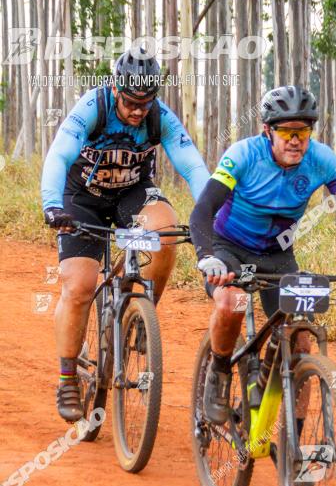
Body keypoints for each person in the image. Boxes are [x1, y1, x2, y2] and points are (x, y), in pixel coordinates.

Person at [189, 84, 336, 424]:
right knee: (232, 302)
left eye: (303, 131)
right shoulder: (243, 155)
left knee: (300, 337)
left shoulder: (322, 159)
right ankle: (220, 371)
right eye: (286, 131)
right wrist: (206, 256)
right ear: (267, 131)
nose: (296, 140)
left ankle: (294, 440)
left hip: (277, 253)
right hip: (228, 247)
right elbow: (203, 209)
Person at [41, 49, 210, 423]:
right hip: (81, 196)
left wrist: (211, 215)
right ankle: (68, 378)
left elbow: (192, 165)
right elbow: (58, 155)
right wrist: (53, 206)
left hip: (132, 192)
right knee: (80, 285)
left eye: (145, 103)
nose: (138, 111)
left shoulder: (158, 117)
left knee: (165, 232)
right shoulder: (92, 108)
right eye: (132, 102)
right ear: (116, 87)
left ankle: (140, 312)